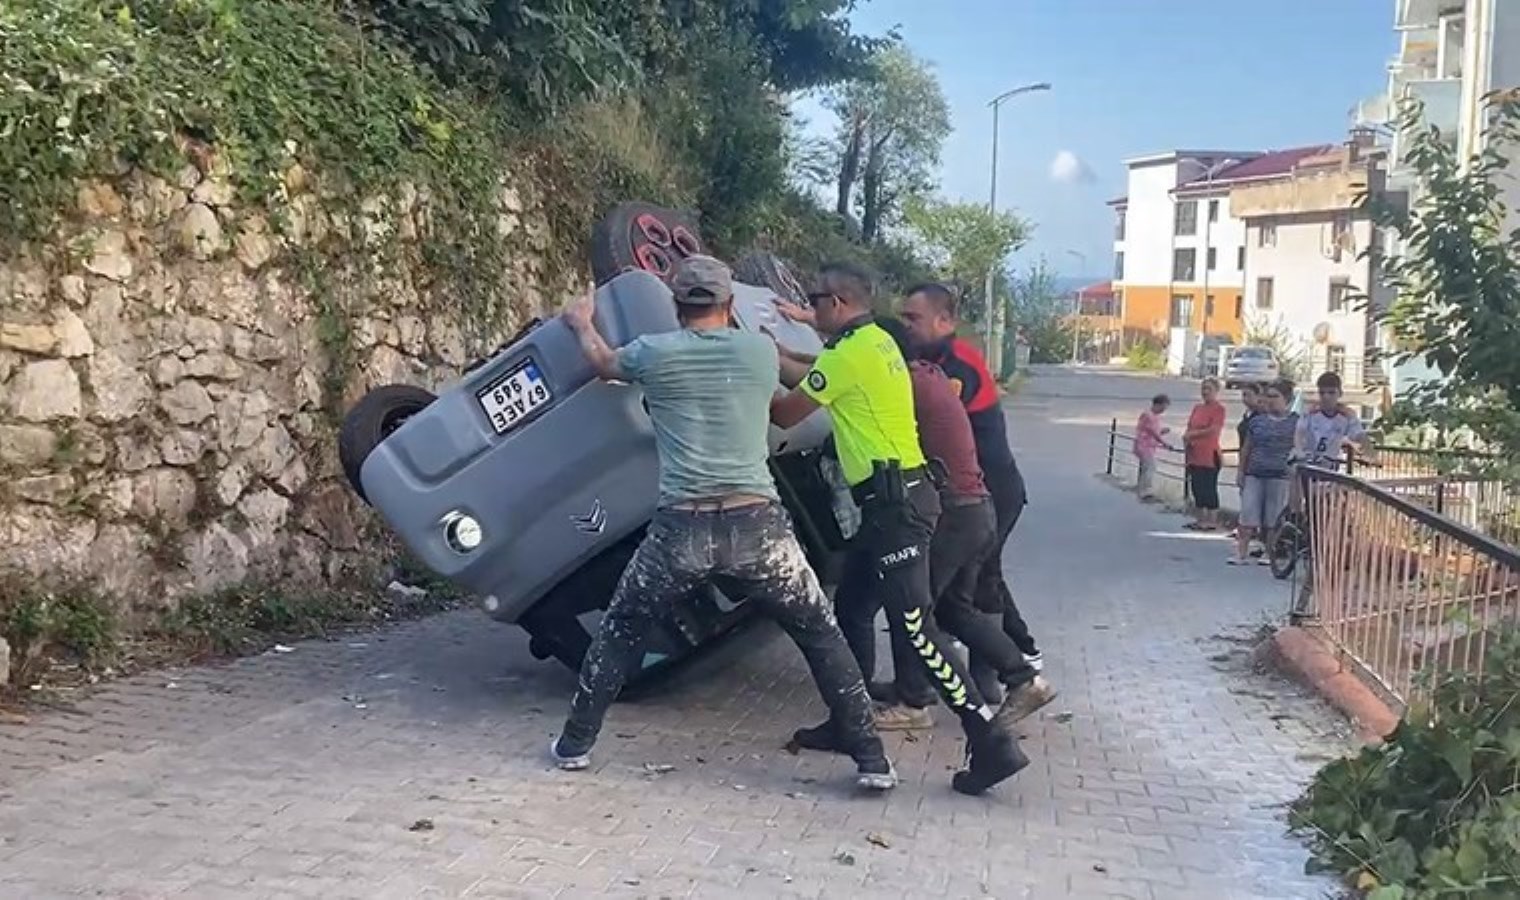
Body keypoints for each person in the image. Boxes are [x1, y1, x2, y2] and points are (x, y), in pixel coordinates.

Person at [550, 256, 896, 792]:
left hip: (680, 528)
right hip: (758, 523)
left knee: (621, 630)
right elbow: (796, 383)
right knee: (819, 632)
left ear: (676, 306)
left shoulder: (653, 354)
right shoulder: (758, 352)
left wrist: (580, 322)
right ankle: (872, 760)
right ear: (729, 304)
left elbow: (602, 363)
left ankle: (575, 744)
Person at [771, 262, 1028, 796]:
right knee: (853, 606)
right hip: (892, 503)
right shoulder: (878, 343)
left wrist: (744, 367)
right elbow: (816, 372)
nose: (812, 308)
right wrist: (772, 355)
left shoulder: (850, 353)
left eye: (815, 300)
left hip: (898, 509)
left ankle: (991, 741)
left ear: (837, 305)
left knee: (916, 626)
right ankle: (850, 719)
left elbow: (787, 413)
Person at [897, 283, 1052, 711]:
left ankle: (1006, 675)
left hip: (988, 492)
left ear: (945, 321)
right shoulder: (931, 358)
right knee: (976, 586)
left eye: (915, 318)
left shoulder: (957, 361)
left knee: (956, 593)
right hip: (974, 492)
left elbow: (937, 401)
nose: (907, 326)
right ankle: (998, 680)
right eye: (904, 318)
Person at [1233, 378, 1298, 566]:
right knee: (1247, 513)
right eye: (1268, 396)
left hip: (1280, 475)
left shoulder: (1296, 422)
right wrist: (1241, 471)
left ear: (1287, 398)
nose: (1270, 400)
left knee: (1273, 517)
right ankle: (1241, 552)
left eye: (1275, 396)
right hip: (1255, 472)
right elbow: (1247, 448)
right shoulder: (1257, 421)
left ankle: (1269, 553)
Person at [1296, 372, 1371, 470]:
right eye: (1322, 393)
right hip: (1307, 465)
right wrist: (1299, 452)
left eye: (1331, 393)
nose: (1326, 397)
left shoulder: (1347, 415)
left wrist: (1369, 454)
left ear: (1340, 393)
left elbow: (1359, 436)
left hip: (1330, 466)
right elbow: (1299, 434)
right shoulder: (1309, 413)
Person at [1182, 379, 1227, 531]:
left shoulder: (1218, 409)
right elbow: (1190, 425)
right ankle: (1200, 519)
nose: (1205, 392)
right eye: (1203, 388)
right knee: (1197, 487)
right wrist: (1187, 439)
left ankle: (1212, 521)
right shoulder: (1197, 408)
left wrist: (1193, 434)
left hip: (1210, 453)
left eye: (1209, 389)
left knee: (1209, 487)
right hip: (1195, 453)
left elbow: (1213, 430)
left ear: (1216, 391)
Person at [1133, 394, 1172, 501]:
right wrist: (1165, 444)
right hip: (1144, 446)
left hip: (1147, 445)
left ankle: (1143, 489)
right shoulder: (1148, 416)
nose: (1163, 411)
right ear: (1157, 405)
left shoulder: (1153, 416)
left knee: (1147, 467)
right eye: (1163, 408)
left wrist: (1162, 432)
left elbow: (1152, 431)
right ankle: (1146, 491)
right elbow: (1153, 433)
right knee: (1150, 467)